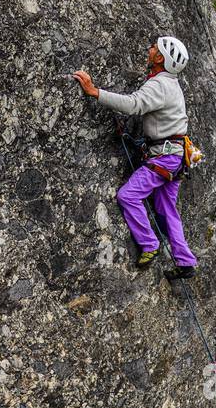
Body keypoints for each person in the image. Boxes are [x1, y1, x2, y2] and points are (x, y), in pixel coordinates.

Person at [73, 36, 198, 279]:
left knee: (128, 196)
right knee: (166, 208)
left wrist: (94, 92)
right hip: (175, 156)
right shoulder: (171, 84)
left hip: (164, 158)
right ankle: (185, 261)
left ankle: (149, 243)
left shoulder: (159, 85)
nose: (150, 49)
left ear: (161, 58)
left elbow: (132, 105)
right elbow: (164, 124)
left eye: (154, 47)